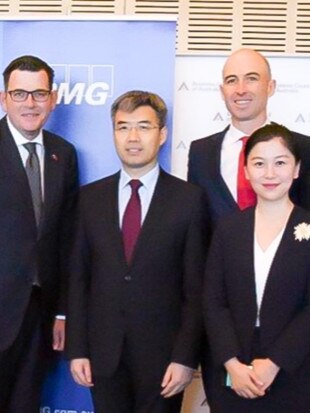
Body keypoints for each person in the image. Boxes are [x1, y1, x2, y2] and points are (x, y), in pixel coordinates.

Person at [66, 90, 208, 413]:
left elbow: (195, 289)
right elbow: (78, 279)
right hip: (103, 357)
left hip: (164, 361)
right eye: (123, 127)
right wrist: (78, 349)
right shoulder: (89, 199)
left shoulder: (189, 200)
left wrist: (185, 357)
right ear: (113, 133)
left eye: (143, 127)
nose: (133, 137)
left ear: (162, 134)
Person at [203, 124, 310, 413]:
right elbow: (213, 300)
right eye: (259, 163)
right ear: (247, 171)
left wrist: (275, 362)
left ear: (297, 169)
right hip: (233, 371)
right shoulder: (228, 228)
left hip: (295, 371)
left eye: (280, 163)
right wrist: (231, 363)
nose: (270, 174)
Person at [0, 55, 79, 413]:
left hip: (39, 318)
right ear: (4, 98)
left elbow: (66, 238)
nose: (29, 104)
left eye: (38, 94)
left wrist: (62, 312)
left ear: (53, 98)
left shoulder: (64, 154)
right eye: (19, 94)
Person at [188, 48, 310, 226]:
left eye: (251, 79)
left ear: (270, 87)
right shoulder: (201, 152)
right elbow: (197, 226)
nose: (240, 90)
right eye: (232, 81)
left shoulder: (303, 147)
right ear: (222, 91)